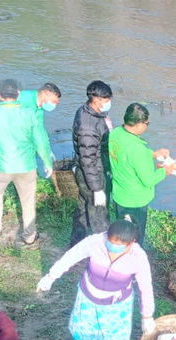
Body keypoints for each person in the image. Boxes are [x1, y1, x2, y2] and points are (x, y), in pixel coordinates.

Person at [36, 220, 155, 340]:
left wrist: (147, 315)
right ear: (107, 235)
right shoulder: (95, 242)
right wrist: (50, 276)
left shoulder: (139, 258)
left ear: (132, 243)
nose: (113, 247)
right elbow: (71, 255)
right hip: (88, 299)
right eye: (111, 242)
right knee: (82, 336)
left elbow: (146, 285)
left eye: (119, 245)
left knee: (118, 339)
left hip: (117, 305)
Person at [0, 79, 53, 245]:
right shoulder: (29, 114)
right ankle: (29, 235)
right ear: (17, 95)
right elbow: (41, 140)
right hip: (26, 166)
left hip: (1, 166)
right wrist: (47, 162)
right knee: (28, 201)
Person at [109, 103, 176, 246]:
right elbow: (148, 180)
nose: (147, 126)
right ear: (139, 125)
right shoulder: (137, 149)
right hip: (135, 201)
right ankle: (131, 263)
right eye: (147, 123)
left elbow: (126, 156)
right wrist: (165, 171)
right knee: (134, 239)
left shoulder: (115, 133)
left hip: (119, 195)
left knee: (121, 234)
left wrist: (153, 154)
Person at [71, 80, 114, 247]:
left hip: (85, 172)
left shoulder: (86, 111)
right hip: (93, 173)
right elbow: (88, 159)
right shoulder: (88, 127)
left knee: (82, 210)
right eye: (106, 99)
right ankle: (103, 251)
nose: (109, 102)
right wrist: (97, 188)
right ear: (96, 100)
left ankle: (76, 245)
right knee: (99, 216)